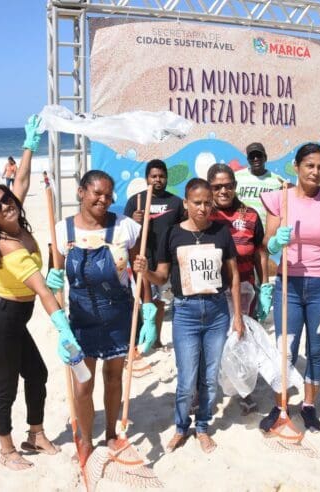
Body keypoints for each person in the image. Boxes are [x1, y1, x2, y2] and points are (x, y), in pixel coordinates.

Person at [0, 115, 83, 471]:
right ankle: (6, 450)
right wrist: (63, 329)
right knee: (5, 387)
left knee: (37, 375)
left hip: (14, 319)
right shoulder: (7, 245)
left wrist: (29, 145)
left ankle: (35, 433)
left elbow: (19, 180)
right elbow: (43, 292)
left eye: (5, 200)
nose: (5, 205)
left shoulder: (13, 215)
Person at [45, 170, 154, 462]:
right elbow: (50, 273)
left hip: (119, 314)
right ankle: (83, 438)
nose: (103, 200)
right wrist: (51, 279)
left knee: (113, 376)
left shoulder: (126, 227)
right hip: (80, 316)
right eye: (97, 193)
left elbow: (140, 272)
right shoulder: (62, 229)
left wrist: (150, 308)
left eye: (108, 195)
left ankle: (109, 433)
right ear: (81, 192)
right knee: (83, 381)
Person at [133, 178, 245, 454]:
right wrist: (144, 271)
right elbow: (160, 276)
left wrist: (238, 315)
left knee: (209, 377)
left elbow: (233, 275)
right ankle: (182, 427)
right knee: (186, 380)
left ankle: (203, 427)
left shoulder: (221, 232)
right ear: (186, 203)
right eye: (197, 202)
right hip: (185, 314)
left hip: (218, 312)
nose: (203, 208)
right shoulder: (172, 234)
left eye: (208, 203)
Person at [258, 143, 320, 434]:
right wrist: (275, 243)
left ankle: (309, 406)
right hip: (288, 284)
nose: (316, 171)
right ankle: (280, 405)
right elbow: (266, 242)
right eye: (310, 165)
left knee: (317, 348)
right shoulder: (280, 199)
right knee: (284, 349)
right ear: (297, 167)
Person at [207, 163, 269, 414]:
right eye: (217, 186)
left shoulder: (251, 215)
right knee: (210, 343)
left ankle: (245, 392)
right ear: (209, 187)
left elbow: (260, 253)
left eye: (228, 186)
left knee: (242, 341)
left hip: (244, 290)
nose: (223, 190)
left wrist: (265, 287)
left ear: (235, 186)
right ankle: (204, 391)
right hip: (209, 292)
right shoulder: (202, 213)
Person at [124, 159, 186, 349]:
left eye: (161, 176)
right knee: (142, 300)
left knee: (159, 301)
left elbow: (182, 229)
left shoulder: (175, 202)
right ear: (147, 179)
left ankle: (156, 339)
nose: (158, 180)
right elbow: (124, 231)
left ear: (167, 178)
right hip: (142, 257)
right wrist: (133, 219)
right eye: (154, 176)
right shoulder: (136, 201)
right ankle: (138, 339)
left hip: (165, 260)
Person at [235, 142, 283, 228]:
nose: (255, 159)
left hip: (265, 233)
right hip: (243, 231)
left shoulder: (277, 181)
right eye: (252, 156)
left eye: (259, 155)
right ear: (248, 159)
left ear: (265, 158)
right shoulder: (237, 177)